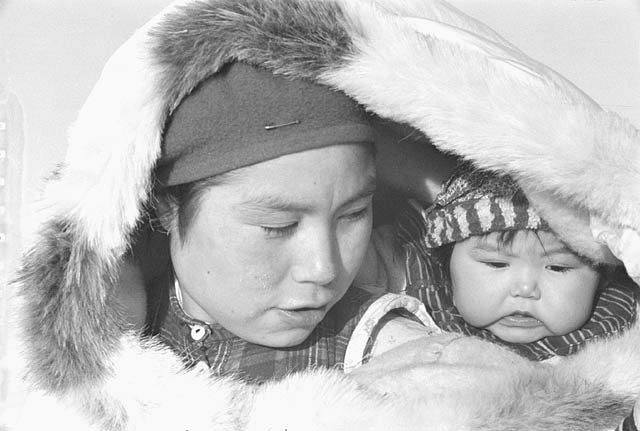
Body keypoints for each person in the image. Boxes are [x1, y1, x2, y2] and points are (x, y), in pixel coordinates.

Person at [12, 0, 640, 430]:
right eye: (278, 227)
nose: (324, 268)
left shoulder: (392, 345)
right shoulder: (101, 342)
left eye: (353, 214)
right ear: (165, 213)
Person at [396, 162, 638, 361]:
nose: (525, 289)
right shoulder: (407, 284)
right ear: (446, 262)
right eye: (496, 263)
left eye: (557, 267)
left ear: (603, 278)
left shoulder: (624, 333)